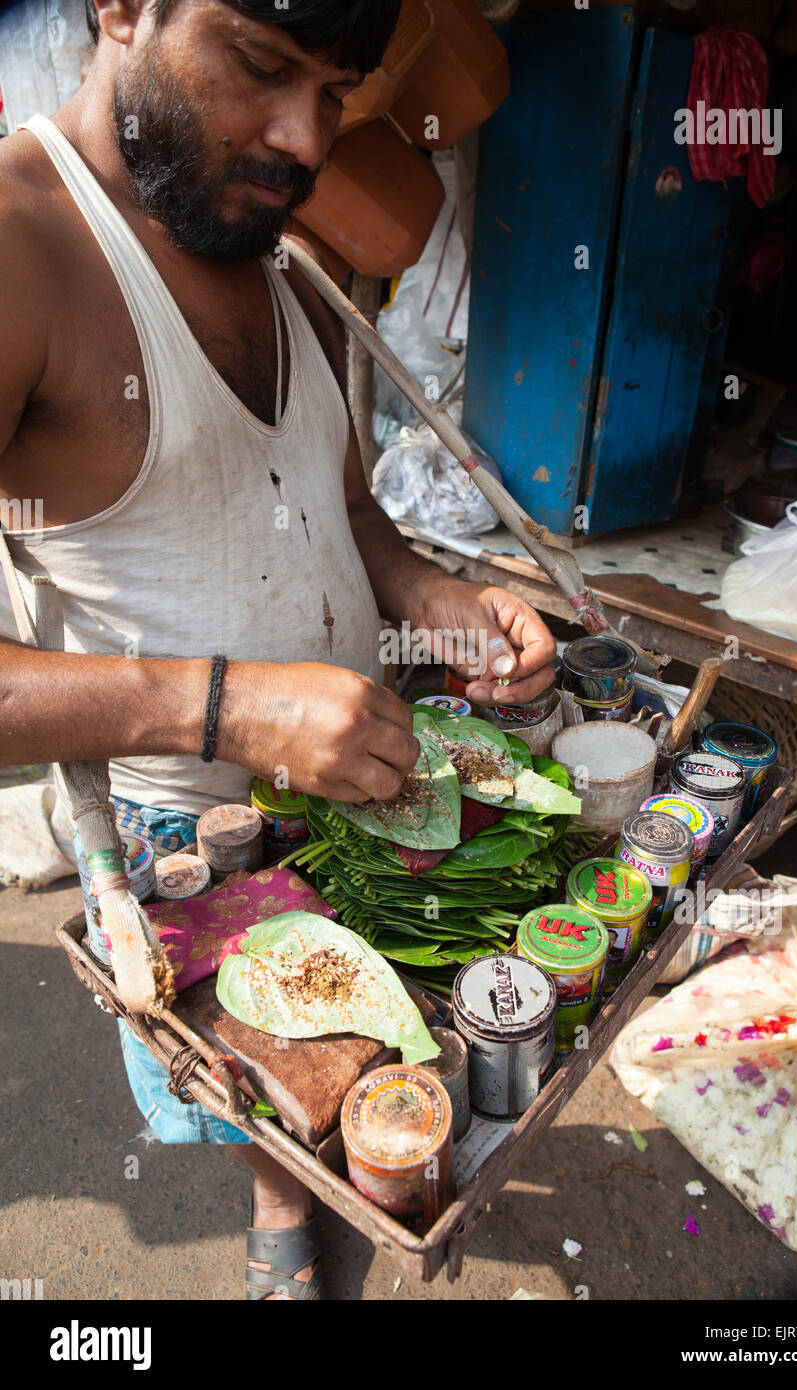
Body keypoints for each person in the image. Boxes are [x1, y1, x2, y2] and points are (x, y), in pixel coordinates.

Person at [0, 0, 557, 1299]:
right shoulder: (22, 251)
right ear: (123, 9)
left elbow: (340, 506)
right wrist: (225, 709)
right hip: (188, 838)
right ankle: (284, 1224)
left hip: (348, 775)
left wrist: (434, 597)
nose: (306, 136)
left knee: (354, 1040)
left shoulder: (263, 240)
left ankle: (319, 1184)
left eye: (338, 91)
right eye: (261, 69)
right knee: (265, 1072)